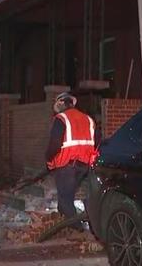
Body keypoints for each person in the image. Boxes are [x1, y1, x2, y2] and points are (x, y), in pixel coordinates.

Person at [45, 92, 99, 225]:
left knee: (65, 198)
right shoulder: (88, 119)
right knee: (67, 196)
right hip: (84, 166)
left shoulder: (61, 118)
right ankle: (64, 223)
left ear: (62, 103)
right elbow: (97, 142)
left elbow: (55, 144)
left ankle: (77, 229)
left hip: (67, 167)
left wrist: (48, 160)